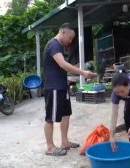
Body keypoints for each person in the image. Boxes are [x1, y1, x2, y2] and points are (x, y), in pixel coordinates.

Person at [43, 23, 95, 156]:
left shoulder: (59, 46)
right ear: (63, 32)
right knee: (50, 118)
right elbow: (63, 64)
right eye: (70, 38)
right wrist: (82, 72)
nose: (70, 42)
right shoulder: (54, 44)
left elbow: (61, 66)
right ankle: (50, 147)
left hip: (61, 86)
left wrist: (77, 68)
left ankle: (64, 142)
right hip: (53, 87)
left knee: (66, 113)